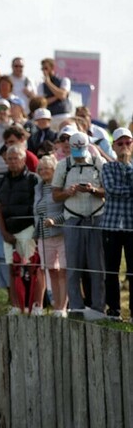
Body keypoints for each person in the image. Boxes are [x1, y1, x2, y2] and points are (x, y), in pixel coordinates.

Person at [51, 132, 106, 320]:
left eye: (82, 150)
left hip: (96, 217)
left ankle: (99, 308)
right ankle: (76, 308)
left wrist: (93, 190)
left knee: (97, 265)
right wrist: (68, 192)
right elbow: (55, 195)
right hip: (72, 218)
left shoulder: (99, 163)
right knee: (73, 266)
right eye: (76, 150)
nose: (80, 155)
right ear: (70, 147)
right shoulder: (63, 165)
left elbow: (107, 191)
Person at [0, 145, 39, 315]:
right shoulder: (4, 179)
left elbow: (37, 207)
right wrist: (4, 232)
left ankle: (35, 305)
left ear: (23, 159)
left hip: (27, 229)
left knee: (33, 269)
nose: (13, 162)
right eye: (10, 159)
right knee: (12, 269)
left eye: (16, 158)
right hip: (8, 232)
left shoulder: (33, 179)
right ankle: (16, 306)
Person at [100, 128, 133, 321]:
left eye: (127, 143)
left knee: (132, 270)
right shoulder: (107, 167)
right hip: (111, 225)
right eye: (120, 143)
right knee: (110, 270)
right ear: (113, 146)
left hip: (130, 226)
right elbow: (111, 189)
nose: (124, 147)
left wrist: (127, 165)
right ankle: (114, 310)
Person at [34, 154, 68, 317]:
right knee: (51, 271)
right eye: (40, 169)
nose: (42, 171)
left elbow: (68, 210)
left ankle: (62, 307)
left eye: (46, 168)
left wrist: (55, 221)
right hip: (43, 235)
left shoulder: (61, 186)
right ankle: (56, 306)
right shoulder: (38, 188)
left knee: (63, 270)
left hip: (61, 233)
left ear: (55, 169)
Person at [38, 58, 72, 127]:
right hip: (50, 117)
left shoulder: (64, 80)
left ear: (52, 67)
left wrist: (49, 83)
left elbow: (62, 96)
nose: (44, 71)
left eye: (46, 68)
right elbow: (43, 102)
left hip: (63, 116)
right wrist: (57, 96)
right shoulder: (41, 85)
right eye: (43, 69)